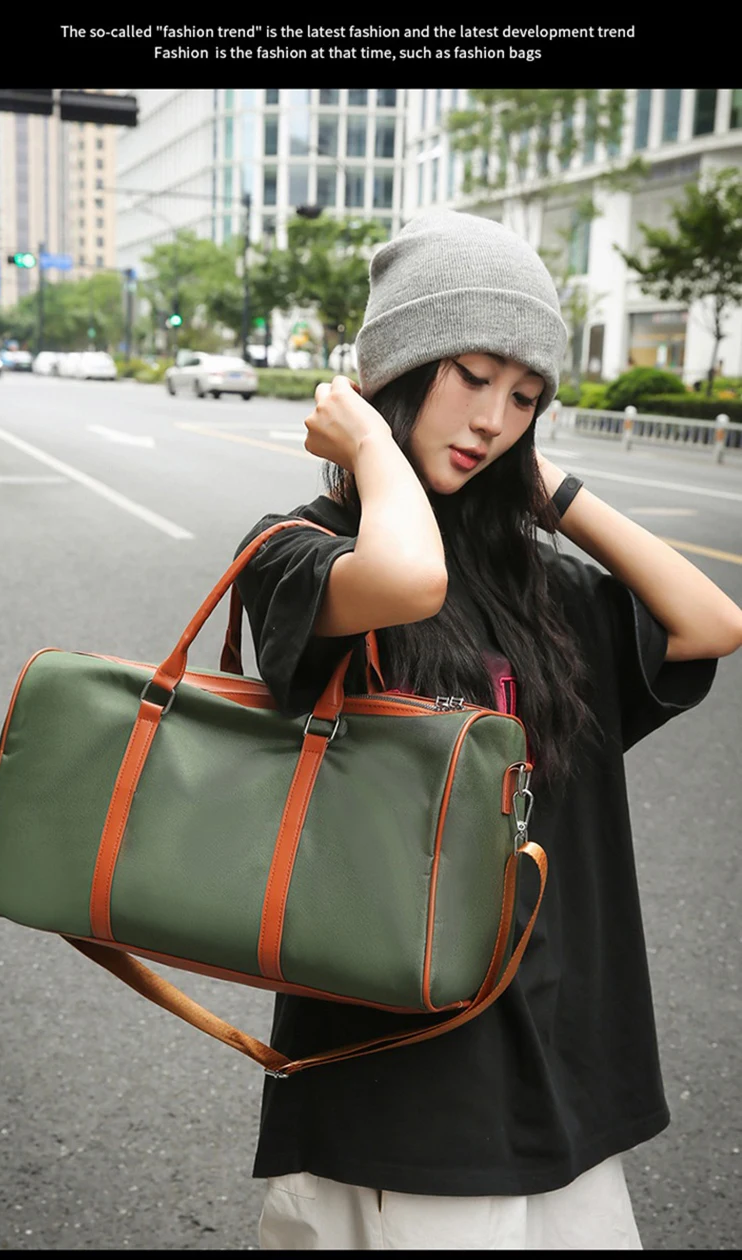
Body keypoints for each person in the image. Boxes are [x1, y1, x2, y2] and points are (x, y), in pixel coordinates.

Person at [233, 210, 742, 1250]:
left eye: (525, 396)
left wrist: (551, 490)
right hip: (405, 1085)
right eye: (470, 375)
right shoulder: (295, 552)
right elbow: (406, 578)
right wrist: (372, 446)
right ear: (395, 371)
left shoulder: (534, 584)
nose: (494, 419)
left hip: (556, 1061)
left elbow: (709, 623)